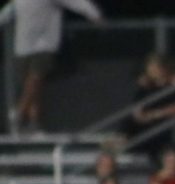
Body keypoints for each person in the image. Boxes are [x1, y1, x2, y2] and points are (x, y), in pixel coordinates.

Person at [0, 0, 102, 134]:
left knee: (35, 78)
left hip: (44, 44)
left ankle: (19, 113)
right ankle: (33, 124)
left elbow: (75, 2)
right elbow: (9, 11)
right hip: (23, 46)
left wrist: (94, 14)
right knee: (32, 87)